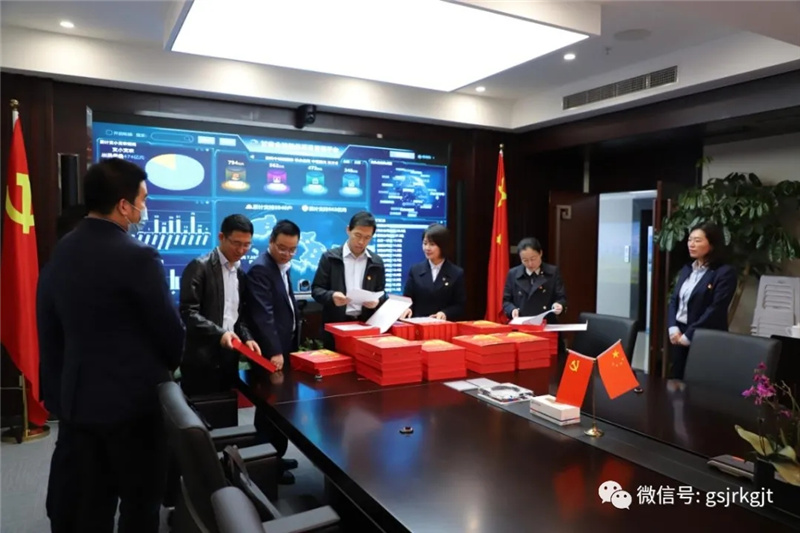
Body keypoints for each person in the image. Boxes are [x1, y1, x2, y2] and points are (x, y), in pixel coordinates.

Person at [36, 157, 185, 533]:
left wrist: (61, 396)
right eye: (143, 199)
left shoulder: (62, 251)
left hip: (77, 407)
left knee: (90, 508)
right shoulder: (138, 256)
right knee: (140, 506)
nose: (144, 208)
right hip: (134, 410)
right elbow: (170, 333)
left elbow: (49, 331)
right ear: (123, 205)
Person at [245, 219, 304, 483]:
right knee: (270, 411)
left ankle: (276, 457)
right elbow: (263, 315)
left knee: (280, 407)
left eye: (292, 249)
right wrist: (275, 351)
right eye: (282, 248)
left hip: (284, 348)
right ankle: (267, 468)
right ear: (270, 241)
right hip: (271, 354)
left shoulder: (281, 266)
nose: (287, 254)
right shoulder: (261, 268)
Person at [179, 214, 261, 398]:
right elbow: (188, 313)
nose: (241, 250)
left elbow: (237, 316)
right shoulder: (199, 267)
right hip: (202, 361)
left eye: (247, 244)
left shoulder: (239, 273)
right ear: (221, 237)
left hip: (229, 359)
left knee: (227, 410)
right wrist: (220, 334)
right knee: (201, 413)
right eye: (236, 243)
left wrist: (247, 338)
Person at [667, 222, 737, 379]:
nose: (691, 244)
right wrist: (672, 327)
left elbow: (716, 309)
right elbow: (674, 299)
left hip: (706, 336)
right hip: (679, 334)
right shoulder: (687, 269)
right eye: (690, 240)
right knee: (676, 380)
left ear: (712, 245)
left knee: (700, 383)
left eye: (697, 240)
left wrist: (689, 335)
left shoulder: (724, 273)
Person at [312, 211, 386, 350]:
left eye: (367, 237)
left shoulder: (376, 262)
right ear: (348, 230)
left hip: (365, 326)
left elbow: (382, 293)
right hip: (336, 326)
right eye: (358, 235)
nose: (361, 242)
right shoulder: (330, 258)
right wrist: (331, 296)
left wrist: (377, 301)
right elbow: (316, 290)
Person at [400, 223, 465, 320]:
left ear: (442, 246)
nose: (427, 248)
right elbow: (407, 299)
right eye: (425, 243)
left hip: (442, 325)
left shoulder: (456, 273)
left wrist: (445, 313)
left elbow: (460, 305)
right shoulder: (415, 270)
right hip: (418, 323)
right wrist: (407, 308)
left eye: (432, 244)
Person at [502, 237, 567, 321]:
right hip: (521, 323)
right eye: (525, 260)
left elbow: (561, 298)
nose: (530, 264)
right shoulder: (513, 274)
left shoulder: (553, 272)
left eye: (533, 259)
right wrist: (512, 310)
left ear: (540, 253)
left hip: (546, 323)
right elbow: (506, 301)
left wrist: (559, 305)